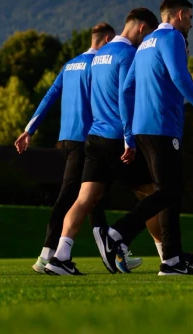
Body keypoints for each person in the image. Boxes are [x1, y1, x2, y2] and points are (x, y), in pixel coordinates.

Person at [95, 0, 193, 276]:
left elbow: (127, 90)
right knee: (169, 191)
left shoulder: (144, 45)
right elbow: (180, 79)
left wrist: (130, 134)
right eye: (190, 17)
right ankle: (117, 233)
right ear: (179, 14)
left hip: (143, 130)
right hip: (163, 129)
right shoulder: (173, 38)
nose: (191, 24)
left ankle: (172, 260)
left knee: (170, 193)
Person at [45, 8, 165, 275]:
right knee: (152, 194)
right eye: (147, 35)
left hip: (94, 138)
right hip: (117, 139)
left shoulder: (99, 55)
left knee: (84, 200)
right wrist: (130, 139)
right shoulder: (129, 55)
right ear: (142, 28)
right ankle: (167, 257)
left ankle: (60, 257)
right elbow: (126, 96)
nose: (145, 42)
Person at [14, 23, 118, 274]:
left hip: (66, 139)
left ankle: (115, 256)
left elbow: (49, 96)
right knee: (72, 196)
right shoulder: (98, 65)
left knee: (92, 196)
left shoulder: (70, 64)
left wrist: (30, 129)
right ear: (107, 40)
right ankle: (47, 254)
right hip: (87, 139)